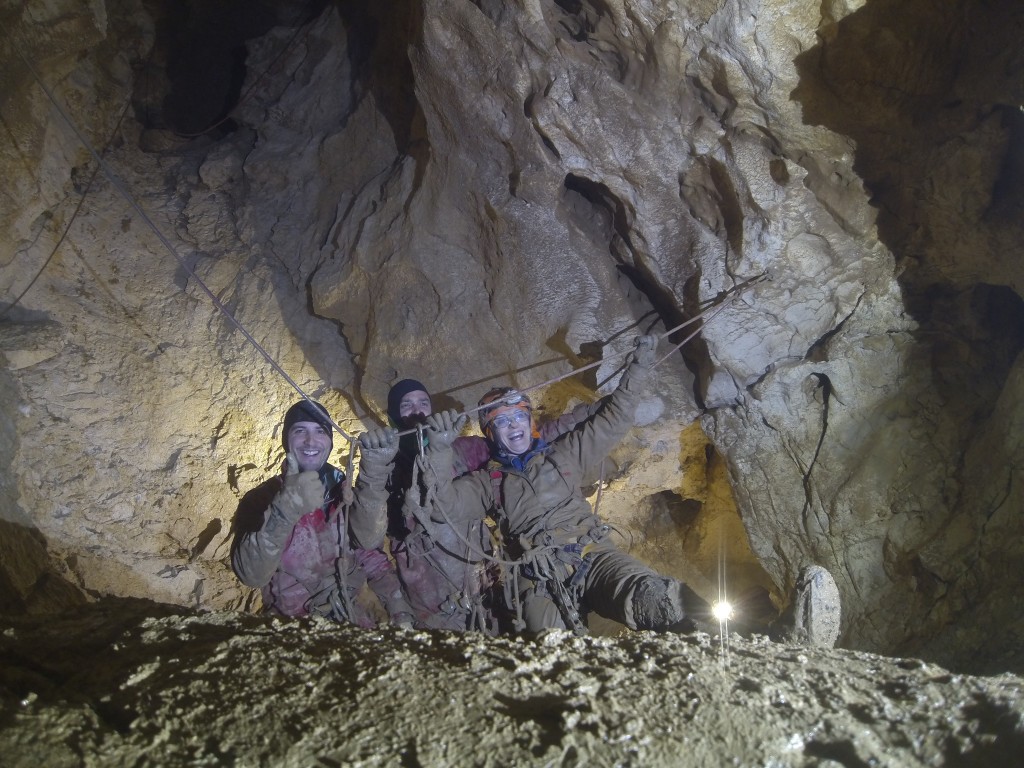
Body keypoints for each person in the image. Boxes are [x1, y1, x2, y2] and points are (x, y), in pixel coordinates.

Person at [419, 335, 712, 635]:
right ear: (490, 433)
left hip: (591, 552)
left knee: (651, 595)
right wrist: (440, 450)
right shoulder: (487, 484)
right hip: (537, 573)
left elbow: (614, 418)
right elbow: (444, 506)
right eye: (502, 422)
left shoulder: (563, 454)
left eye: (519, 417)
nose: (514, 426)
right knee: (547, 643)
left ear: (529, 422)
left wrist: (638, 367)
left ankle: (716, 636)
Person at [382, 379, 600, 632]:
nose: (417, 411)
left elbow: (529, 441)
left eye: (423, 403)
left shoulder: (465, 449)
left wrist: (585, 414)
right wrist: (397, 607)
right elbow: (370, 547)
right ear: (393, 415)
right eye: (406, 405)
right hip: (431, 597)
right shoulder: (385, 470)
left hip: (484, 585)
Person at [231, 399, 401, 626]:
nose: (310, 441)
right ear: (286, 440)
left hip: (353, 621)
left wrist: (400, 612)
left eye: (320, 431)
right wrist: (284, 512)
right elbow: (251, 575)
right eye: (300, 430)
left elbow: (370, 556)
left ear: (330, 442)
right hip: (293, 629)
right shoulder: (261, 499)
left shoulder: (342, 494)